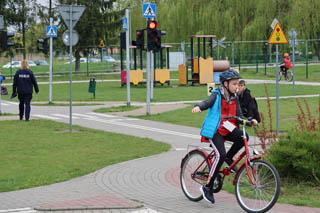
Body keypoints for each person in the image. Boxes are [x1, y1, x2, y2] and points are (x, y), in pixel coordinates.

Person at [192, 70, 258, 204]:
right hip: (216, 130)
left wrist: (249, 121)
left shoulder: (235, 97)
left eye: (238, 84)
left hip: (228, 128)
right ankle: (208, 188)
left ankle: (229, 157)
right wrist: (199, 106)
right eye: (234, 84)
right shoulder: (216, 94)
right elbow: (207, 102)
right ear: (225, 84)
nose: (237, 87)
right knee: (220, 155)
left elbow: (239, 116)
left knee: (244, 136)